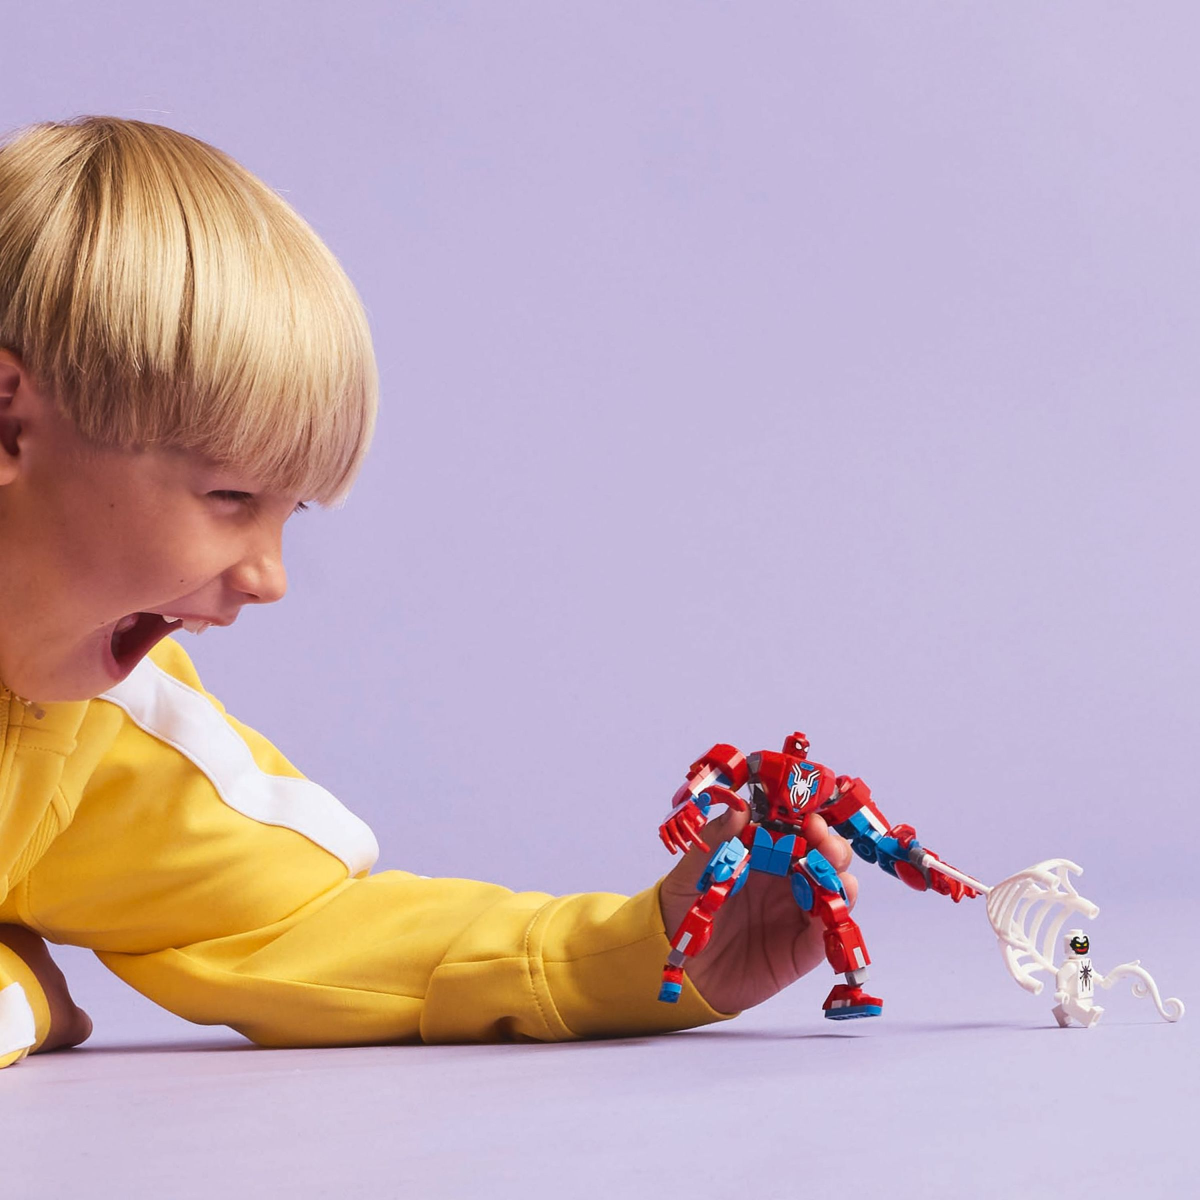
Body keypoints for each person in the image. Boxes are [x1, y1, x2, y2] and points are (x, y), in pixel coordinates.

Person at [0, 116, 858, 1067]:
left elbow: (294, 926)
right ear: (9, 427)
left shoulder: (88, 729)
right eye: (229, 496)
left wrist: (654, 948)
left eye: (291, 512)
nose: (271, 579)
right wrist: (23, 993)